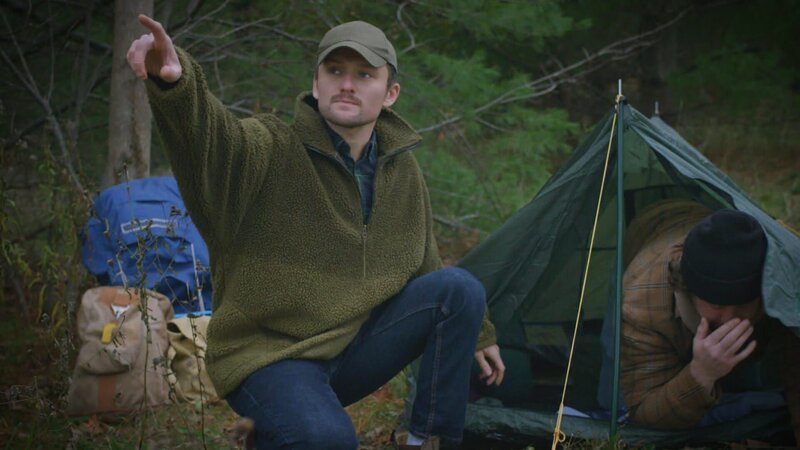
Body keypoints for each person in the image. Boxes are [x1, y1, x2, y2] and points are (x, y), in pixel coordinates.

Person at [127, 15, 505, 450]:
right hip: (269, 355)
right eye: (336, 71)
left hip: (351, 348)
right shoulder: (268, 146)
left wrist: (477, 332)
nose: (348, 84)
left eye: (365, 75)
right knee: (325, 439)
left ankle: (425, 440)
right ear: (316, 82)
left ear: (390, 94)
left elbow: (424, 265)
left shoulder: (400, 169)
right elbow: (213, 141)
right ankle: (283, 424)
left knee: (460, 288)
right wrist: (177, 84)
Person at [620, 199, 800, 444]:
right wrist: (701, 374)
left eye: (744, 305)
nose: (730, 319)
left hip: (696, 214)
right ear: (689, 291)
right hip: (647, 230)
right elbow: (644, 414)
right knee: (615, 401)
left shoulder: (781, 290)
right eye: (717, 306)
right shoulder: (640, 304)